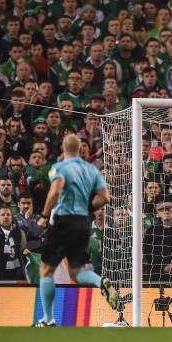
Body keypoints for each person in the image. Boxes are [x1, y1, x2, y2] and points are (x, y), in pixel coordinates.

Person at [35, 134, 116, 327]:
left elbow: (56, 190)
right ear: (80, 148)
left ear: (63, 147)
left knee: (46, 270)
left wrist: (44, 216)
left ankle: (48, 319)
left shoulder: (60, 167)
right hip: (82, 223)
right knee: (76, 271)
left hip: (63, 221)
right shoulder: (91, 169)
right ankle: (100, 281)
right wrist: (88, 208)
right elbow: (105, 197)